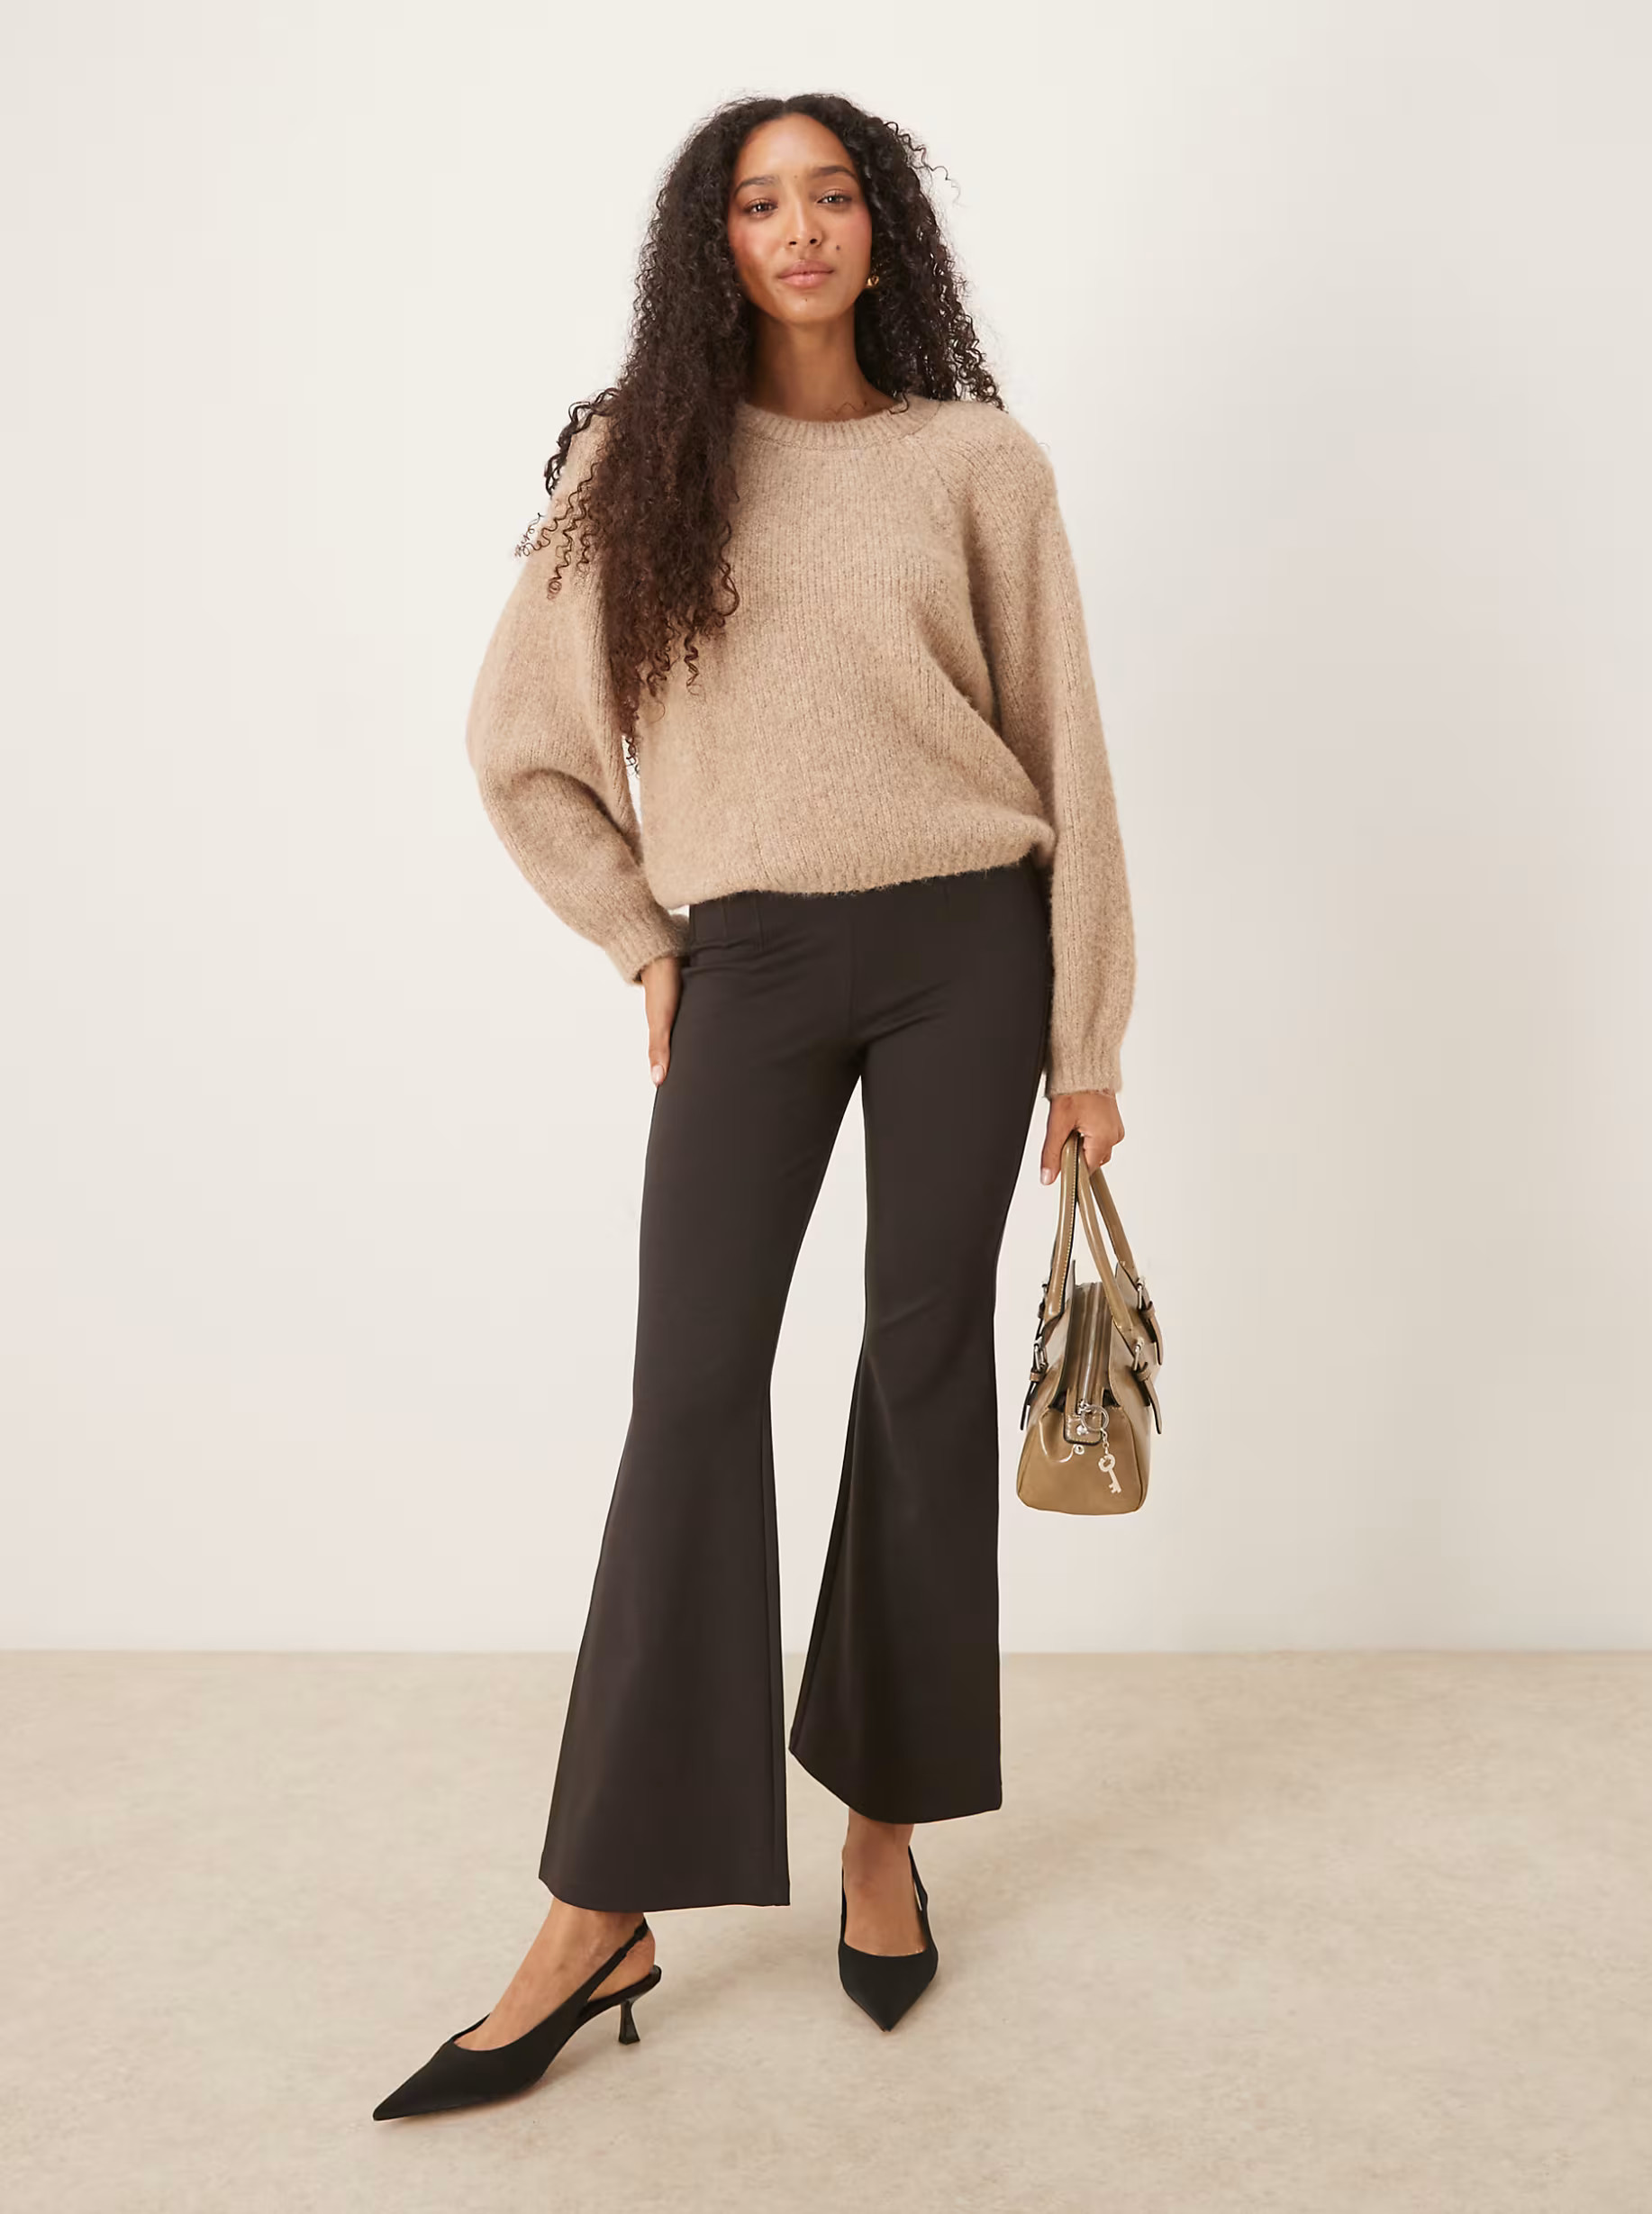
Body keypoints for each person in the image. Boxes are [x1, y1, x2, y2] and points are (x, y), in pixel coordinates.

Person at [373, 89, 1137, 2121]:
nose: (799, 229)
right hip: (755, 964)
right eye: (757, 202)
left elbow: (1067, 749)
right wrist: (642, 937)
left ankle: (884, 1824)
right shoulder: (643, 462)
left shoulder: (978, 463)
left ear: (886, 230)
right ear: (712, 243)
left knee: (920, 1369)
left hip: (968, 942)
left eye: (833, 196)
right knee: (692, 1392)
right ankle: (599, 1903)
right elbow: (520, 740)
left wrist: (1085, 1039)